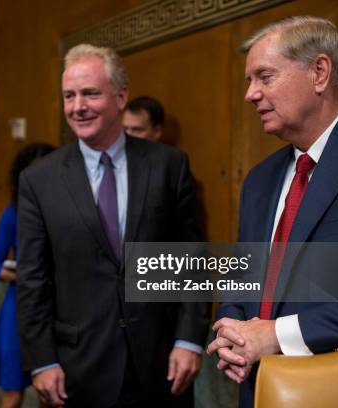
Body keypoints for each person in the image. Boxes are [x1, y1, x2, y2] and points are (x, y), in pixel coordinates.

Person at [16, 44, 210, 407]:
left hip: (162, 366)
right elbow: (31, 279)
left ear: (121, 97)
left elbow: (192, 259)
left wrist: (189, 340)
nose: (77, 106)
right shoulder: (38, 180)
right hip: (77, 370)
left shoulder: (169, 166)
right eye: (69, 96)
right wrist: (42, 359)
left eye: (90, 93)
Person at [207, 16, 338, 408]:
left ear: (319, 72)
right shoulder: (259, 181)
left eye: (264, 76)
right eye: (249, 80)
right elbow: (242, 275)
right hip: (257, 390)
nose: (250, 94)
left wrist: (278, 335)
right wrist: (230, 328)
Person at [0, 142, 55, 408]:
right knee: (13, 391)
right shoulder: (13, 213)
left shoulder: (65, 211)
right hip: (20, 307)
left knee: (52, 392)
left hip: (56, 307)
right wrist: (27, 275)